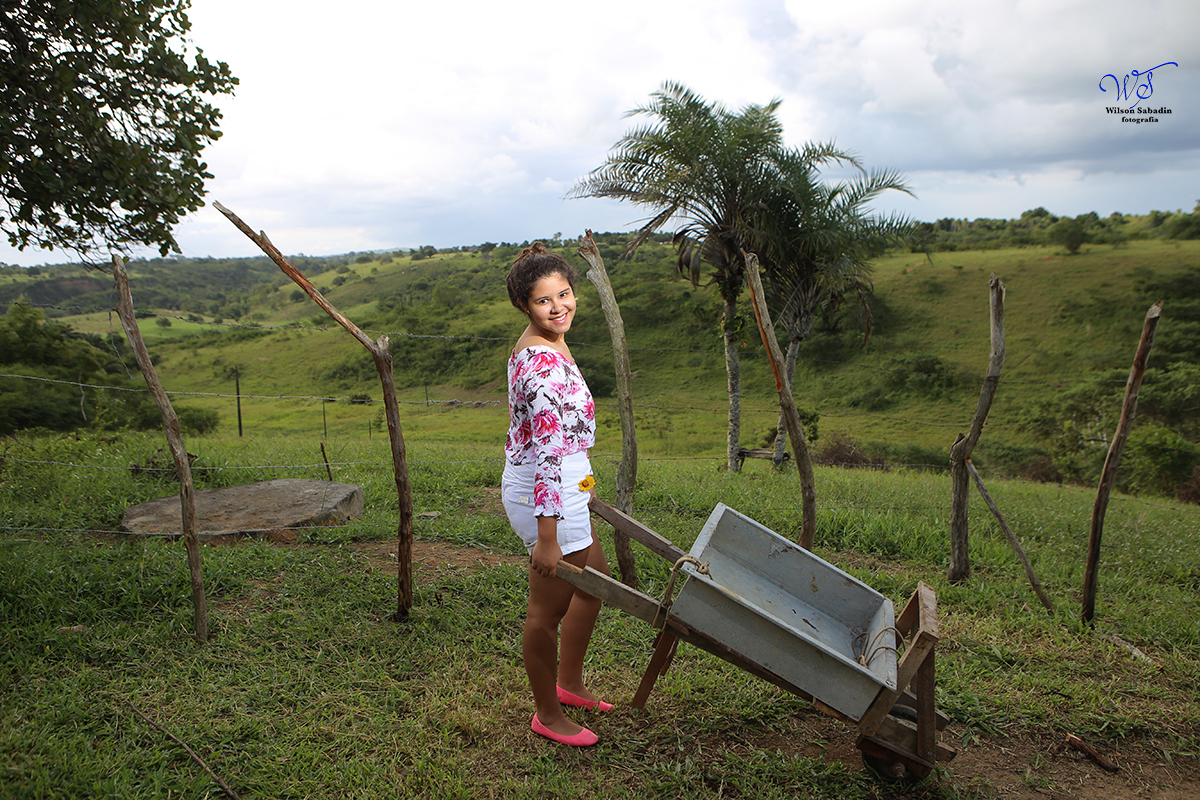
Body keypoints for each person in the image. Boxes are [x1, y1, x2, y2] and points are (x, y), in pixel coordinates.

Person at [501, 242, 612, 747]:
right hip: (543, 493)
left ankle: (568, 684)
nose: (559, 307)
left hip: (567, 483)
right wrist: (547, 537)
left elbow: (569, 443)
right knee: (546, 612)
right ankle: (547, 713)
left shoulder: (552, 343)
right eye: (544, 301)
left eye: (564, 294)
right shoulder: (541, 365)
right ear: (525, 306)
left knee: (594, 584)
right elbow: (548, 451)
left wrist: (586, 489)